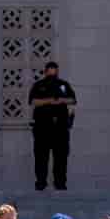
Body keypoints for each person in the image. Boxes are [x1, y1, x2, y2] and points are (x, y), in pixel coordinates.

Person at [28, 61, 76, 191]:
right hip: (42, 127)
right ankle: (41, 183)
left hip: (60, 127)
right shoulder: (39, 85)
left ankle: (60, 184)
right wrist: (48, 101)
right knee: (41, 157)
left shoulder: (63, 85)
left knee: (61, 157)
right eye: (50, 70)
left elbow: (72, 99)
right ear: (45, 71)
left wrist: (61, 100)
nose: (52, 72)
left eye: (54, 70)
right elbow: (33, 101)